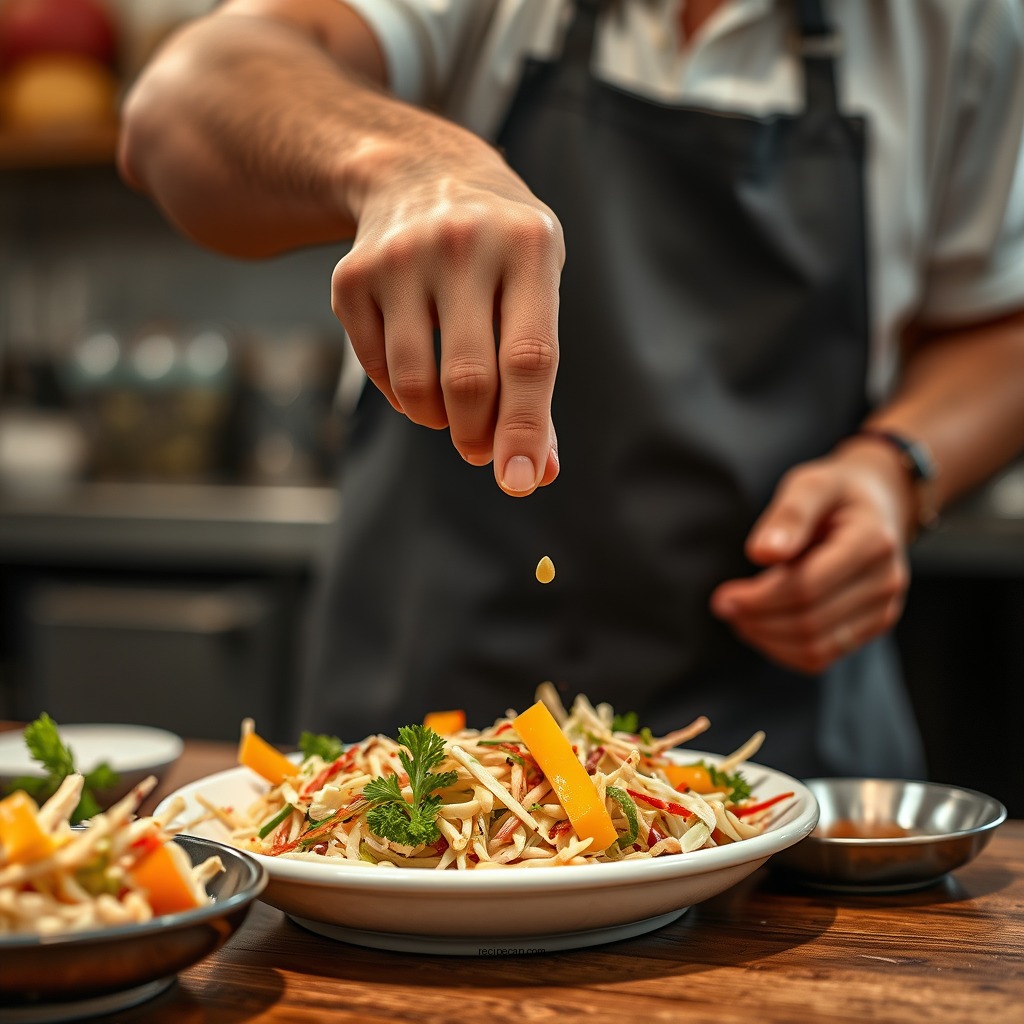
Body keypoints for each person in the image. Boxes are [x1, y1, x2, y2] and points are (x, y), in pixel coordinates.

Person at [118, 0, 1024, 778]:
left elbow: (1002, 319)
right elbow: (180, 103)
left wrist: (893, 468)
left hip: (784, 743)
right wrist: (403, 161)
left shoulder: (963, 21)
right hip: (427, 736)